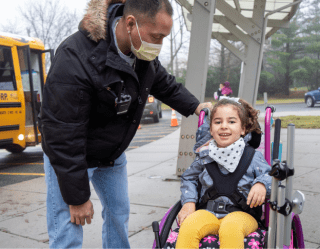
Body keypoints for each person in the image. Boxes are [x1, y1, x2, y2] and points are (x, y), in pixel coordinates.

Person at [39, 0, 212, 248]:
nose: (159, 44)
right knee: (68, 226)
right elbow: (61, 131)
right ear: (130, 24)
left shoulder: (141, 52)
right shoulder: (76, 56)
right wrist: (76, 197)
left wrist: (196, 106)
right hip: (71, 155)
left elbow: (164, 84)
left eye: (164, 37)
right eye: (156, 36)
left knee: (118, 215)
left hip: (111, 153)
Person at [175, 98, 272, 249]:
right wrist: (189, 202)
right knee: (189, 226)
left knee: (230, 228)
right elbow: (189, 177)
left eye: (231, 122)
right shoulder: (204, 155)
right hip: (208, 211)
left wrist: (261, 184)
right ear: (211, 129)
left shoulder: (252, 156)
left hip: (243, 214)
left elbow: (270, 175)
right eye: (218, 122)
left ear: (243, 129)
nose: (224, 127)